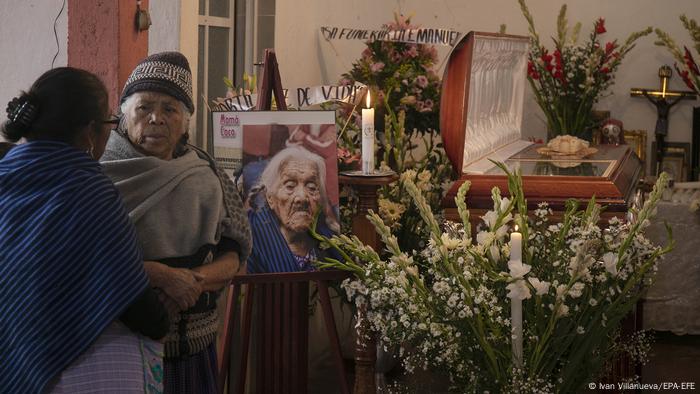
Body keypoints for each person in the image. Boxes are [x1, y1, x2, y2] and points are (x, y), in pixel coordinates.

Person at [0, 67, 169, 393]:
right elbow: (132, 298)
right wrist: (160, 324)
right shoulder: (88, 190)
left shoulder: (6, 172)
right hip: (71, 374)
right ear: (91, 132)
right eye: (109, 124)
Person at [100, 51, 252, 394]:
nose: (156, 118)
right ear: (125, 115)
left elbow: (235, 251)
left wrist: (191, 281)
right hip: (121, 347)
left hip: (194, 348)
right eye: (144, 108)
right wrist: (162, 276)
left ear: (185, 121)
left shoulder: (206, 171)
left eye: (170, 109)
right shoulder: (98, 174)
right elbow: (88, 259)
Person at [246, 146, 339, 273]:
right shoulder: (251, 239)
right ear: (270, 198)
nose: (302, 197)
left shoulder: (332, 243)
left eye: (311, 187)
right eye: (290, 186)